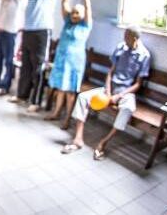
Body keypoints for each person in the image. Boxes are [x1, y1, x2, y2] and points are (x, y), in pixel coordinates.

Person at [62, 26, 150, 160]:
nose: (124, 39)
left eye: (126, 37)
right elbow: (110, 72)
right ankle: (78, 139)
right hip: (109, 88)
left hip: (125, 92)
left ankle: (103, 143)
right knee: (82, 97)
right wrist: (108, 91)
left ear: (135, 39)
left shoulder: (144, 55)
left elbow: (138, 84)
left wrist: (119, 96)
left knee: (128, 108)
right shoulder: (121, 48)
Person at [9, 0, 55, 112]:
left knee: (38, 67)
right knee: (26, 65)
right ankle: (22, 95)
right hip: (28, 31)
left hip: (42, 33)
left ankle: (35, 101)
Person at [44, 0, 92, 124]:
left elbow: (88, 7)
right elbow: (63, 2)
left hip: (74, 64)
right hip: (61, 60)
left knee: (71, 92)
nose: (74, 14)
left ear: (83, 15)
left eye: (78, 12)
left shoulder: (85, 26)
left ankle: (67, 119)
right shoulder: (67, 23)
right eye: (73, 12)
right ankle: (56, 113)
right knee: (60, 89)